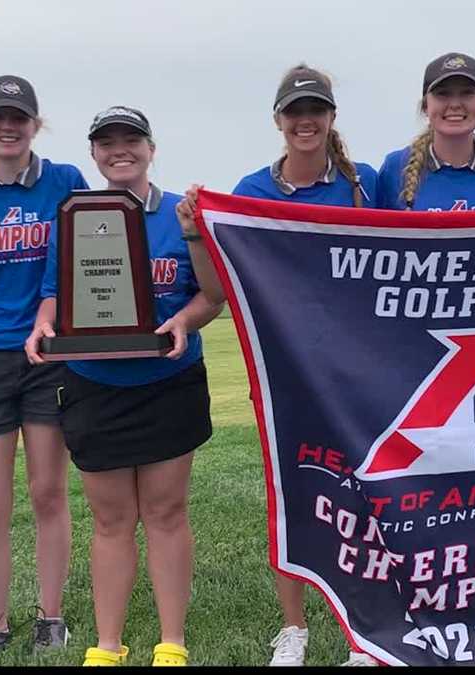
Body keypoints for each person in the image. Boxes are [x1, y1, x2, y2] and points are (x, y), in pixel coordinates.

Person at [175, 63, 380, 667]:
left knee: (367, 495)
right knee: (294, 494)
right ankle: (293, 630)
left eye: (315, 109)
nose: (305, 120)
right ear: (278, 120)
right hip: (285, 363)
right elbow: (219, 287)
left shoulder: (365, 183)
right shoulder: (250, 190)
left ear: (331, 118)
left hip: (363, 365)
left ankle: (361, 632)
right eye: (294, 111)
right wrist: (194, 229)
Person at [25, 105, 224, 667]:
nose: (120, 150)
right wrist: (45, 322)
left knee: (165, 513)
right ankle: (107, 645)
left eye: (131, 140)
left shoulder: (182, 213)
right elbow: (54, 293)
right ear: (93, 154)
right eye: (106, 142)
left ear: (150, 148)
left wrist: (183, 319)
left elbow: (212, 295)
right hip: (94, 382)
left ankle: (172, 643)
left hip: (168, 381)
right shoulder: (75, 216)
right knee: (111, 520)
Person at [0, 75, 89, 665]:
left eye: (19, 117)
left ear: (36, 123)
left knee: (49, 492)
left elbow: (84, 260)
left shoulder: (65, 182)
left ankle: (50, 616)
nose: (8, 126)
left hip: (48, 357)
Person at [377, 52, 475, 211]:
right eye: (443, 94)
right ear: (425, 106)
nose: (455, 104)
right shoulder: (395, 169)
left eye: (467, 93)